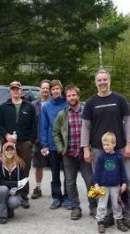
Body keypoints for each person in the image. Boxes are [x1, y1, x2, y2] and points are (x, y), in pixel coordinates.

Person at [81, 69, 130, 227]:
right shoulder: (90, 103)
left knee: (125, 181)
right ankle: (108, 215)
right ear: (96, 82)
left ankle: (126, 214)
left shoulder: (120, 99)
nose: (102, 82)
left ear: (109, 81)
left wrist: (129, 144)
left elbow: (128, 122)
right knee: (103, 183)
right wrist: (85, 148)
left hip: (120, 148)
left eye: (105, 80)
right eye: (99, 80)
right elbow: (86, 127)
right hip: (98, 149)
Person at [53, 85, 97, 220]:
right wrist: (61, 149)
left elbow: (94, 130)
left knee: (90, 181)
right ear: (66, 98)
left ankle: (93, 206)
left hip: (85, 154)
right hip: (69, 154)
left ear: (78, 95)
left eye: (74, 95)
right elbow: (56, 133)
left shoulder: (87, 111)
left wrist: (90, 148)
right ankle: (76, 207)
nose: (72, 98)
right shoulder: (62, 114)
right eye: (69, 96)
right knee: (70, 183)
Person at [0, 80, 36, 208]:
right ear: (10, 91)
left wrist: (30, 142)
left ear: (21, 90)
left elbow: (34, 126)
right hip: (8, 144)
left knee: (24, 169)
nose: (15, 91)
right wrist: (6, 135)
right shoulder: (3, 107)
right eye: (13, 89)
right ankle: (7, 192)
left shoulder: (29, 106)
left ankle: (24, 196)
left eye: (17, 88)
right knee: (7, 168)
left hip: (24, 143)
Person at [40, 79, 70, 209]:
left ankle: (68, 197)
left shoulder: (67, 103)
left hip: (67, 144)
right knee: (55, 172)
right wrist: (44, 144)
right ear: (50, 91)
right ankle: (56, 197)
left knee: (68, 172)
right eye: (53, 89)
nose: (55, 91)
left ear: (61, 89)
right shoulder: (46, 106)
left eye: (58, 88)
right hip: (52, 144)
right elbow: (43, 126)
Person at [94, 132, 128, 233]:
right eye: (104, 145)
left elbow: (122, 171)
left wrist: (124, 183)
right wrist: (96, 184)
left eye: (108, 144)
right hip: (103, 186)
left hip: (116, 186)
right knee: (102, 205)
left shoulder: (118, 157)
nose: (105, 147)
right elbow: (97, 172)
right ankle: (100, 221)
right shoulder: (101, 158)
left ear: (114, 144)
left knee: (116, 204)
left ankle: (118, 220)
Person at [0, 142, 27, 224]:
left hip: (14, 192)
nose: (9, 152)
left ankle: (9, 209)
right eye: (7, 150)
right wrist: (15, 184)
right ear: (3, 151)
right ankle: (2, 216)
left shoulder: (20, 163)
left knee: (14, 202)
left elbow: (22, 182)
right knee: (3, 189)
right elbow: (0, 181)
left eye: (12, 149)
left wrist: (17, 190)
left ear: (15, 151)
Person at [31, 79, 51, 199]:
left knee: (55, 166)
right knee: (39, 165)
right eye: (43, 88)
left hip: (52, 140)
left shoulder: (54, 103)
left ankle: (57, 190)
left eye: (47, 88)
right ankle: (38, 188)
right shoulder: (34, 105)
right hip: (38, 140)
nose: (45, 90)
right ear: (39, 89)